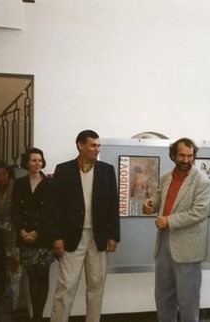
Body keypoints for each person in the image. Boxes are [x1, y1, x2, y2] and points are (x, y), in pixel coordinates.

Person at [50, 130, 120, 322]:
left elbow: (113, 205)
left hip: (99, 238)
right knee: (66, 287)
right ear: (81, 145)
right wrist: (56, 236)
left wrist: (113, 235)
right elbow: (55, 207)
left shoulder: (106, 170)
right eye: (93, 145)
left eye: (98, 145)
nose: (97, 149)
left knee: (96, 286)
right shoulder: (63, 170)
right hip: (72, 238)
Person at [143, 137, 210, 322]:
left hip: (188, 249)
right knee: (163, 296)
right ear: (173, 155)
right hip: (164, 244)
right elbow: (160, 201)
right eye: (181, 155)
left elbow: (200, 212)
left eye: (190, 156)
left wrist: (169, 221)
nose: (186, 160)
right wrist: (150, 205)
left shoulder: (202, 181)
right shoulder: (166, 177)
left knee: (188, 300)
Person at [11, 148, 54, 322]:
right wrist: (21, 231)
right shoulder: (20, 183)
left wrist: (38, 232)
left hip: (43, 238)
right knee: (32, 277)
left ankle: (38, 315)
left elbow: (52, 212)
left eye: (39, 160)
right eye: (33, 160)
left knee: (42, 277)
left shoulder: (50, 183)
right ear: (27, 163)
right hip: (25, 237)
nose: (37, 163)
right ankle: (33, 315)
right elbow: (15, 210)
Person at [0, 161, 19, 307]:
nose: (2, 177)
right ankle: (3, 295)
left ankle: (16, 299)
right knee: (0, 262)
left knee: (15, 262)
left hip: (14, 230)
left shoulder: (17, 186)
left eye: (4, 174)